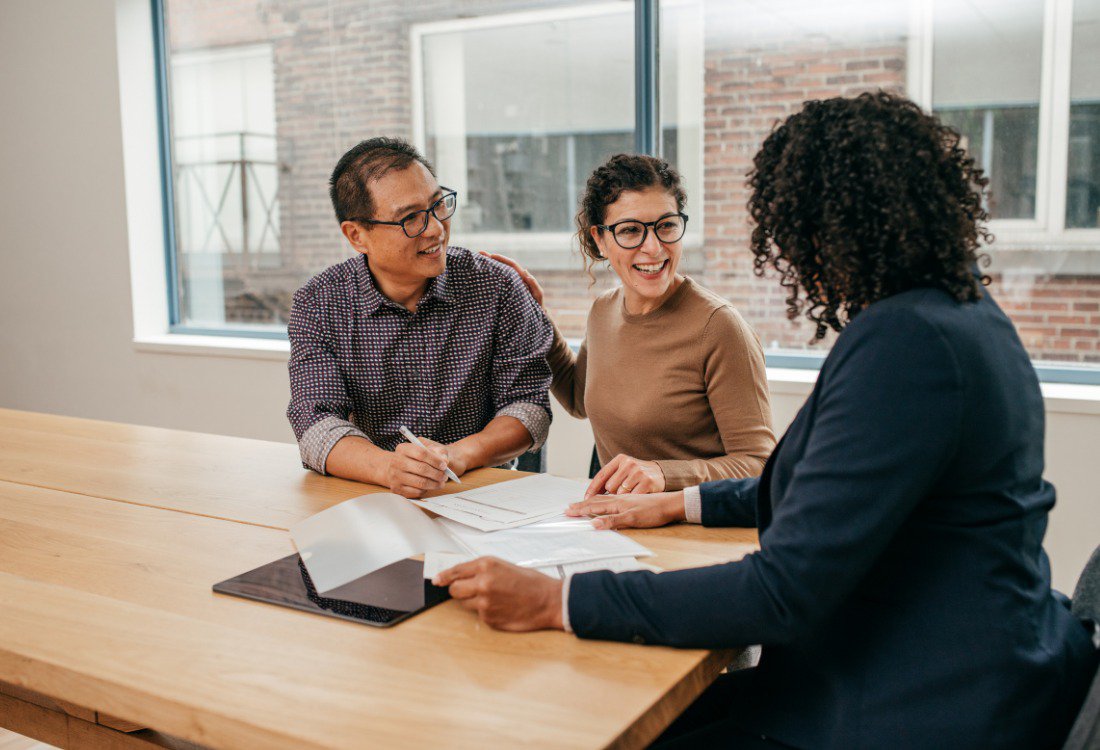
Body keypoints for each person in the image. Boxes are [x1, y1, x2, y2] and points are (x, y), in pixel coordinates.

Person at [434, 93, 1100, 748]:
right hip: (936, 660)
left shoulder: (911, 345)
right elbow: (825, 488)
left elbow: (784, 589)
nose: (794, 256)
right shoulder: (953, 316)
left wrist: (562, 602)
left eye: (796, 229)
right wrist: (679, 504)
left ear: (836, 227)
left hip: (917, 699)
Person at [487, 154, 775, 498]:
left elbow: (759, 463)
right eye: (630, 231)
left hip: (693, 531)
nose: (653, 248)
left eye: (666, 225)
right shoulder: (603, 310)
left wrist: (664, 474)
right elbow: (580, 400)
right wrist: (536, 315)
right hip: (619, 519)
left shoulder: (720, 327)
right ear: (600, 239)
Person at [286, 137, 553, 499]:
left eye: (437, 205)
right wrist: (388, 468)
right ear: (356, 235)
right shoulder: (318, 303)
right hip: (372, 494)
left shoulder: (498, 286)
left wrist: (458, 455)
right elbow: (316, 422)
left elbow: (529, 407)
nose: (435, 229)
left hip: (479, 492)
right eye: (410, 218)